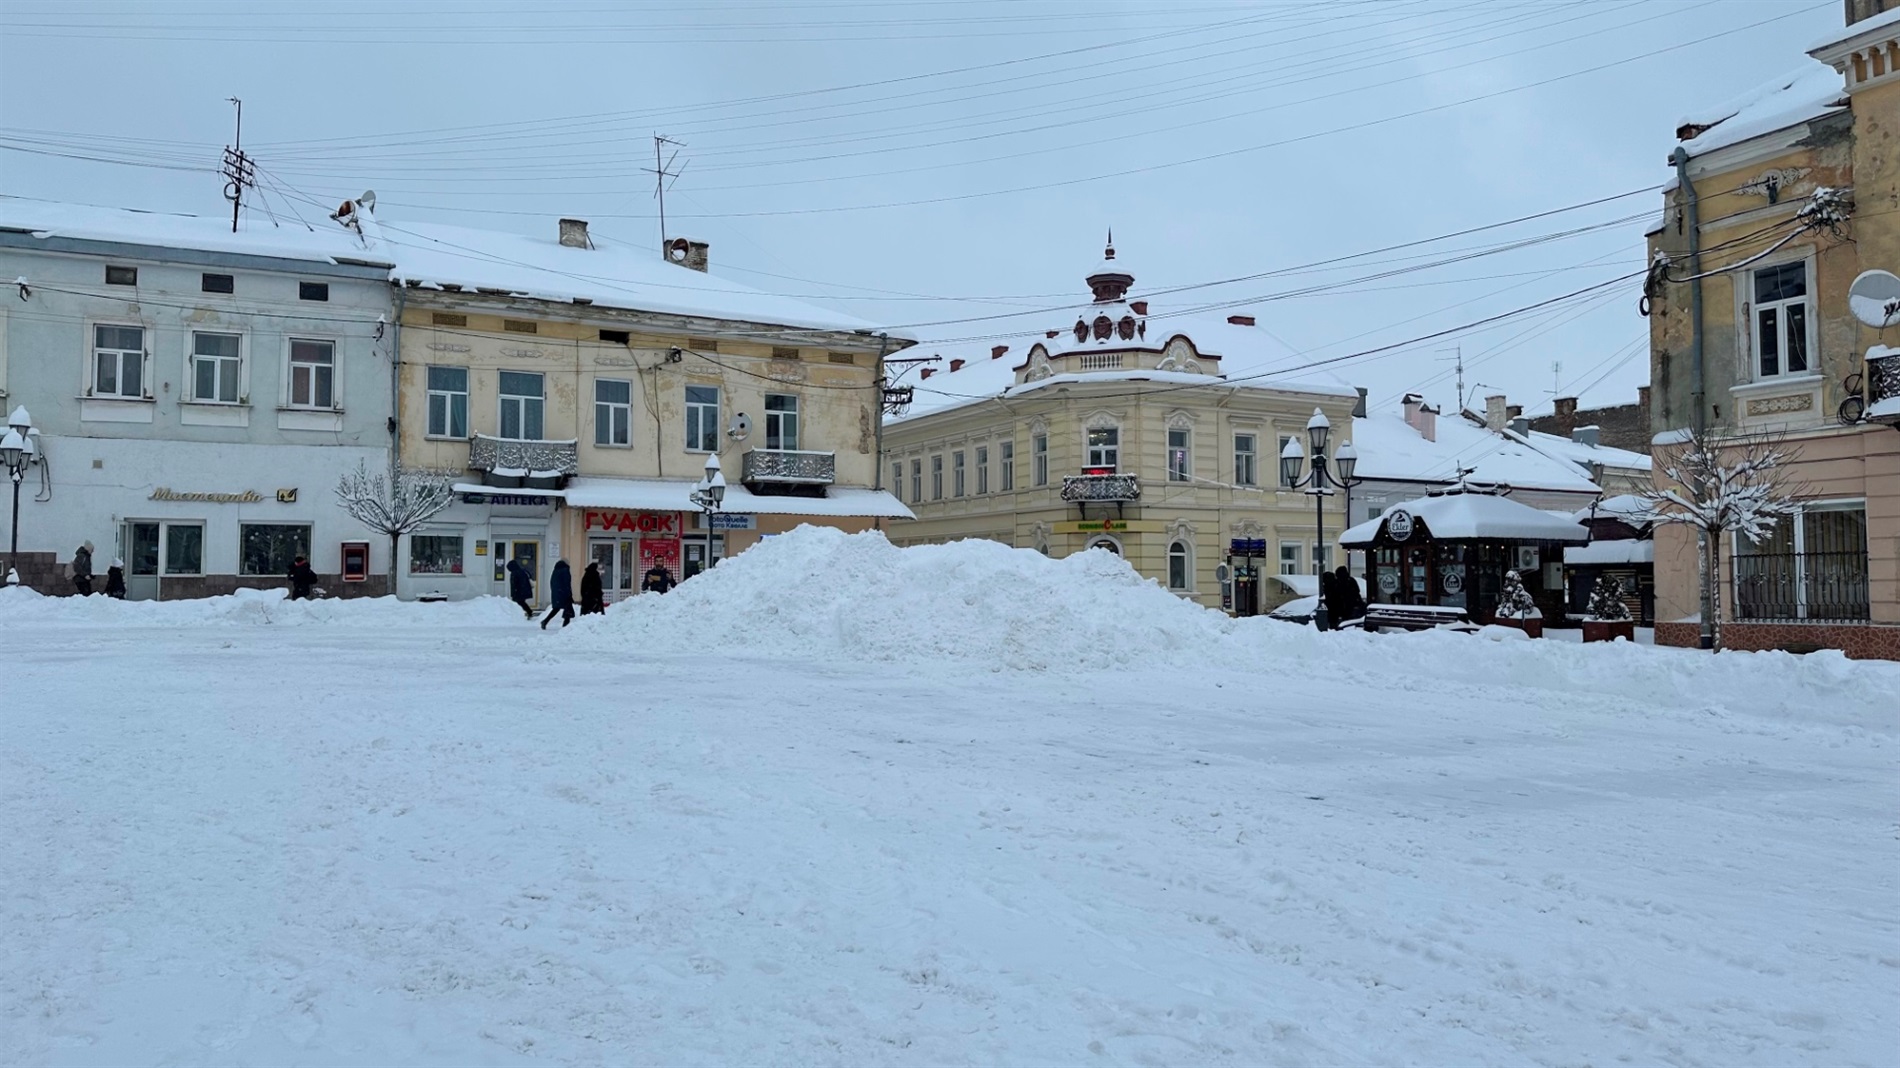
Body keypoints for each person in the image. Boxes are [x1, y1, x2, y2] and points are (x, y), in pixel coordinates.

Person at [541, 559, 575, 629]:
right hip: (564, 593)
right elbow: (567, 583)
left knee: (557, 608)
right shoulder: (565, 570)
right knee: (568, 609)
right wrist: (569, 594)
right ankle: (565, 627)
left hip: (557, 593)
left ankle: (545, 621)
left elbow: (553, 582)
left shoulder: (556, 571)